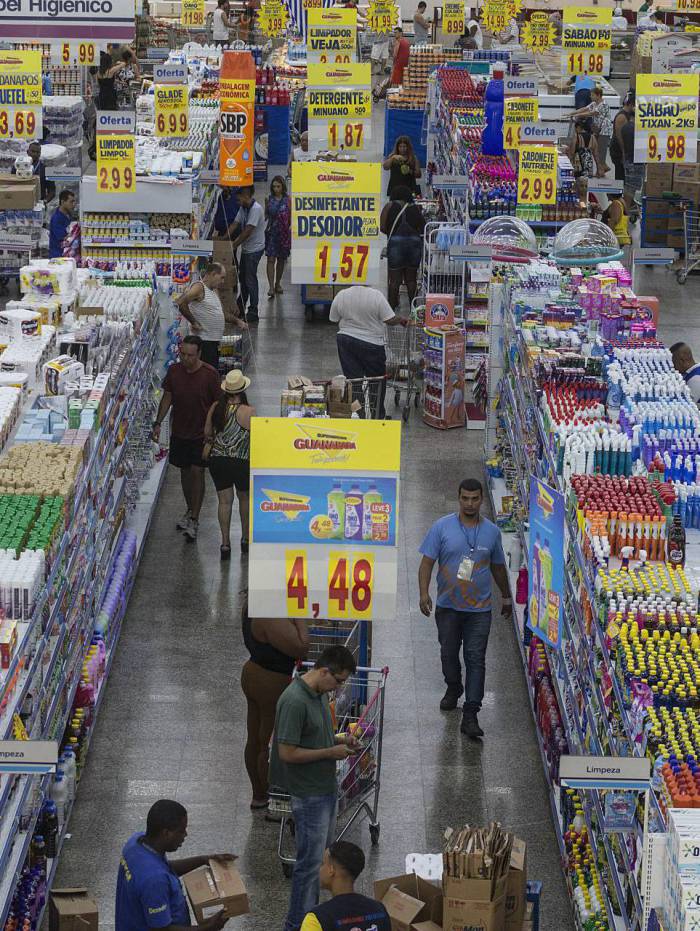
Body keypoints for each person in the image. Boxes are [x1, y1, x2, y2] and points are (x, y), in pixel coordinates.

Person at [269, 645, 360, 931]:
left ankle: (314, 919)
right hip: (309, 795)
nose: (339, 687)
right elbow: (287, 752)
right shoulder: (294, 701)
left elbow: (315, 735)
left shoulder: (319, 694)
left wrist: (340, 739)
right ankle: (297, 924)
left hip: (325, 787)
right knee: (309, 867)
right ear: (324, 671)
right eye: (339, 680)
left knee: (322, 859)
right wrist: (329, 753)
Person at [418, 478, 512, 739]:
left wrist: (505, 596)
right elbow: (427, 562)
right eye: (465, 498)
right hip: (448, 606)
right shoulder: (441, 527)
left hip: (479, 610)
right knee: (448, 653)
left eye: (474, 499)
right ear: (458, 498)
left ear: (482, 499)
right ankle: (453, 686)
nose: (470, 504)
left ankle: (471, 712)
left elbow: (497, 567)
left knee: (475, 657)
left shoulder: (492, 532)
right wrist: (424, 593)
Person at [115, 798, 234, 931]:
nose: (185, 835)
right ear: (166, 833)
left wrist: (204, 859)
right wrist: (206, 929)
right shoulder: (154, 881)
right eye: (181, 831)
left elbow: (164, 868)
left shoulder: (136, 843)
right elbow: (161, 929)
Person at [240, 600, 309, 808]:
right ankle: (271, 799)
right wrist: (299, 612)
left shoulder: (254, 600)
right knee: (268, 743)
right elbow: (301, 646)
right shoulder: (269, 610)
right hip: (271, 681)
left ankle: (259, 795)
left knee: (255, 738)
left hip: (254, 672)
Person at [153, 335, 221, 542]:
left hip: (202, 434)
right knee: (184, 472)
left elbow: (218, 404)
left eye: (190, 355)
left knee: (197, 472)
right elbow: (167, 398)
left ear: (199, 354)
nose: (186, 359)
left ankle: (195, 518)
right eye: (183, 354)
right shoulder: (174, 372)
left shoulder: (210, 375)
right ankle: (190, 508)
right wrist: (158, 422)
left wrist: (214, 432)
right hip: (180, 431)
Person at [330, 285, 408, 418]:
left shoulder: (342, 294)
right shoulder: (376, 295)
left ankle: (358, 414)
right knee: (377, 381)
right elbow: (389, 319)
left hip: (346, 341)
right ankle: (377, 415)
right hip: (372, 344)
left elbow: (333, 318)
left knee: (354, 381)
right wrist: (401, 319)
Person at [203, 369, 255, 558]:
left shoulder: (216, 407)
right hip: (241, 461)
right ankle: (245, 539)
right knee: (245, 500)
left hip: (218, 461)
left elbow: (207, 434)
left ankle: (225, 544)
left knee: (224, 502)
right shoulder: (249, 412)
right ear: (242, 390)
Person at [300, 842, 391, 931]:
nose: (319, 869)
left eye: (322, 864)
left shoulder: (317, 919)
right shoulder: (379, 910)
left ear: (331, 870)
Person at [174, 262, 232, 369]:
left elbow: (221, 313)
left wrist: (238, 321)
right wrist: (194, 322)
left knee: (210, 371)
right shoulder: (199, 287)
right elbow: (181, 303)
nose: (222, 281)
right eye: (221, 278)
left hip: (213, 342)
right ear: (213, 274)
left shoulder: (213, 290)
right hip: (204, 342)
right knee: (205, 372)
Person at [380, 185, 425, 310]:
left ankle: (391, 308)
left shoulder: (389, 206)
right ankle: (413, 308)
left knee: (395, 280)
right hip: (414, 245)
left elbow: (382, 227)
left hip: (396, 244)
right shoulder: (415, 208)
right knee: (411, 279)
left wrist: (392, 233)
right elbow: (422, 227)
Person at [225, 185, 265, 324]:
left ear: (246, 195)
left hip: (254, 250)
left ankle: (253, 311)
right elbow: (235, 224)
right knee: (243, 277)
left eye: (239, 199)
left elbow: (247, 232)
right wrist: (224, 239)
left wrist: (233, 246)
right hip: (247, 249)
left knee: (250, 279)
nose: (237, 202)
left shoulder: (256, 209)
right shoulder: (244, 208)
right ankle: (241, 306)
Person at [572, 87, 612, 177]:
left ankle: (600, 171)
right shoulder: (594, 103)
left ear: (598, 95)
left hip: (604, 131)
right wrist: (572, 113)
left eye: (592, 95)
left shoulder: (603, 105)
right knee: (596, 150)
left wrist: (577, 115)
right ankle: (602, 168)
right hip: (597, 130)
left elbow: (591, 113)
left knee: (601, 151)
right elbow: (585, 109)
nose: (590, 96)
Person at [265, 175, 291, 298]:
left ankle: (278, 283)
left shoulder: (288, 200)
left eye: (278, 186)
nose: (276, 189)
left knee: (281, 259)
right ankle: (270, 286)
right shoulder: (268, 199)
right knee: (270, 259)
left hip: (284, 234)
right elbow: (266, 215)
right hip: (272, 233)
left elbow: (291, 216)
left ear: (283, 187)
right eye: (274, 186)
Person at [621, 116, 642, 220]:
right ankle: (625, 213)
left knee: (628, 189)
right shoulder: (637, 128)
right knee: (630, 190)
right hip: (636, 161)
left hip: (629, 160)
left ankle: (625, 211)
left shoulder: (625, 127)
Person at [610, 91, 634, 182]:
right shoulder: (622, 117)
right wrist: (624, 153)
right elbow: (619, 136)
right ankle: (617, 195)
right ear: (631, 104)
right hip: (618, 151)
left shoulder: (628, 115)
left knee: (623, 176)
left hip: (623, 151)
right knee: (620, 175)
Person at [48, 190, 75, 259]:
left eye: (74, 201)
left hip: (66, 254)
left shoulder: (68, 215)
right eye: (71, 202)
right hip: (58, 256)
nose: (73, 204)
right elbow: (64, 237)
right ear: (63, 202)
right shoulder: (56, 218)